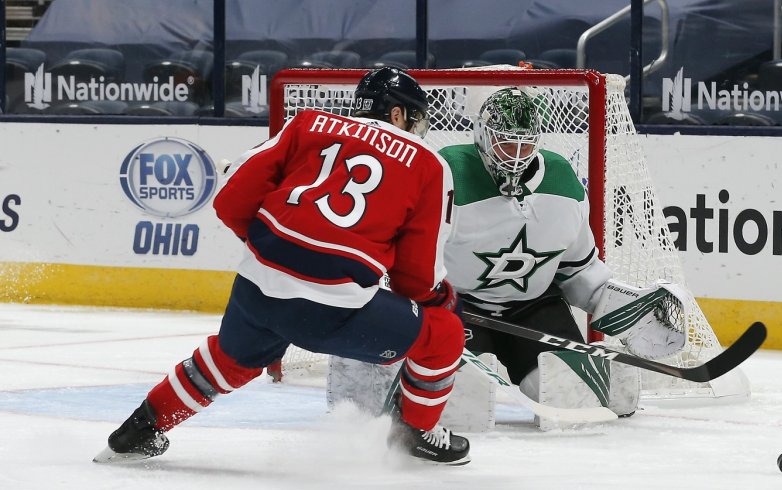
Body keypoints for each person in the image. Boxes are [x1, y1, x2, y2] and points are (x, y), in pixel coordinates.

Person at [93, 67, 471, 466]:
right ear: (396, 115)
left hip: (257, 285)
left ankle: (137, 430)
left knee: (232, 361)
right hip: (330, 309)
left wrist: (274, 248)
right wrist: (440, 300)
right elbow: (416, 277)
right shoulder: (428, 163)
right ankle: (415, 432)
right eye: (413, 119)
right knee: (444, 334)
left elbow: (231, 198)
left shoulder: (308, 123)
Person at [436, 87, 687, 412]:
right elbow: (417, 253)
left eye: (526, 143)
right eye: (507, 142)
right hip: (460, 307)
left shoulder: (561, 180)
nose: (516, 154)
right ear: (483, 135)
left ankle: (591, 376)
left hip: (533, 306)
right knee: (457, 405)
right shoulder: (449, 172)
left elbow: (578, 268)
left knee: (572, 398)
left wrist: (622, 307)